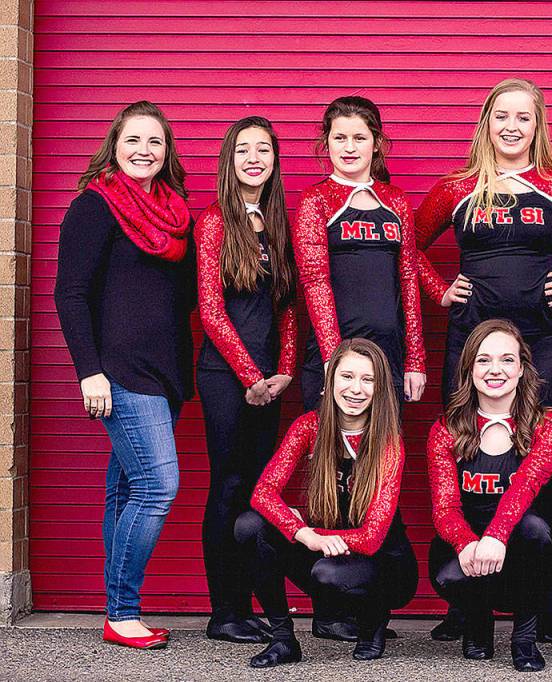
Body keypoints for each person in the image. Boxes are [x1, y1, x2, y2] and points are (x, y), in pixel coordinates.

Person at [417, 77, 552, 642]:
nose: (511, 126)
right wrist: (438, 289)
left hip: (544, 343)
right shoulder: (457, 186)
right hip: (471, 346)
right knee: (464, 459)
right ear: (486, 122)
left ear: (537, 125)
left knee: (540, 471)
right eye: (501, 115)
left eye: (523, 117)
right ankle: (464, 602)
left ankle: (542, 607)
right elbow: (406, 244)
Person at [54, 101, 194, 649]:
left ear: (167, 151)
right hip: (120, 372)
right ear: (115, 145)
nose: (144, 150)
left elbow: (178, 299)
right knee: (159, 486)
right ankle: (123, 611)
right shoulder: (94, 207)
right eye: (133, 139)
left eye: (155, 141)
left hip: (166, 373)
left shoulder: (176, 212)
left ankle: (118, 610)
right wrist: (89, 371)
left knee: (125, 489)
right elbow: (70, 294)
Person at [235, 338, 418, 668]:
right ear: (330, 380)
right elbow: (262, 493)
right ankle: (282, 639)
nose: (356, 389)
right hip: (327, 551)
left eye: (368, 379)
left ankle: (374, 617)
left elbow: (372, 537)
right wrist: (301, 532)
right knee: (250, 526)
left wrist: (307, 532)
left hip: (386, 565)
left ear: (380, 388)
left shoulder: (388, 442)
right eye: (347, 377)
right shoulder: (308, 427)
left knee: (328, 573)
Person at [194, 116, 298, 643]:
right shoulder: (214, 221)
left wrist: (283, 370)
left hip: (267, 383)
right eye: (243, 150)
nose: (254, 158)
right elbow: (211, 310)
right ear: (228, 160)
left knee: (260, 492)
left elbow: (288, 308)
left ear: (274, 160)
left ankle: (250, 604)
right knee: (229, 488)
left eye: (263, 150)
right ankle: (225, 612)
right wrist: (250, 375)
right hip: (225, 379)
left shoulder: (276, 222)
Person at [426, 319, 552, 672]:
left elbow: (525, 486)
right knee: (446, 575)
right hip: (469, 548)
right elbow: (445, 507)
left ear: (522, 368)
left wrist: (495, 535)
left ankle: (524, 637)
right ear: (469, 369)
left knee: (536, 529)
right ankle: (477, 622)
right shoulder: (447, 428)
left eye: (507, 360)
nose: (495, 370)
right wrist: (465, 544)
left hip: (519, 548)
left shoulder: (549, 424)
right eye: (483, 360)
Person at [294, 96, 426, 410]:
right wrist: (332, 357)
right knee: (330, 456)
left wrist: (415, 360)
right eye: (340, 138)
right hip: (335, 355)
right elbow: (314, 281)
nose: (349, 147)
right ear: (326, 142)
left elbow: (408, 280)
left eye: (359, 138)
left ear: (377, 143)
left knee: (384, 455)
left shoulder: (396, 201)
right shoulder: (315, 200)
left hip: (387, 357)